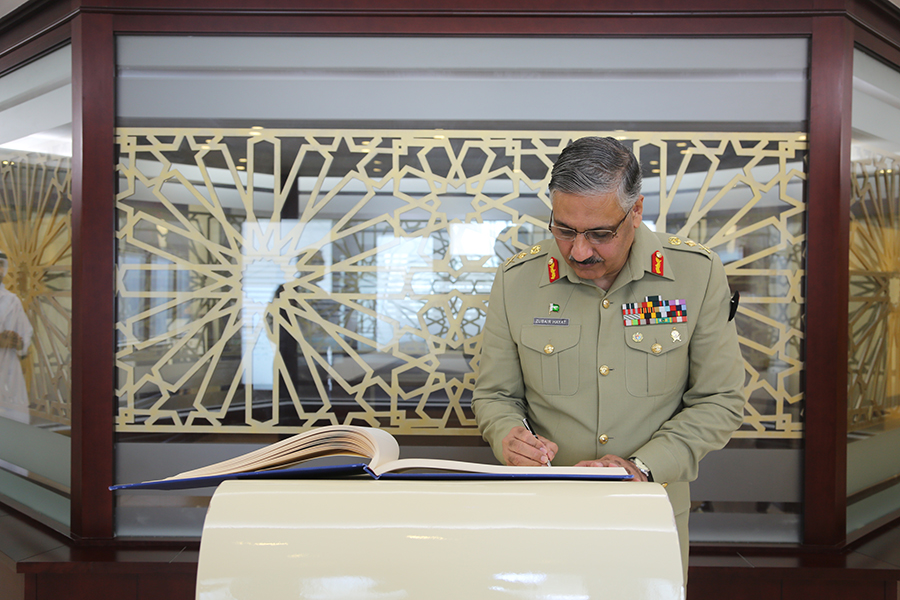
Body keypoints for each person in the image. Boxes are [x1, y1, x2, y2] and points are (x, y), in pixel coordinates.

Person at [471, 136, 745, 580]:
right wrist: (508, 436)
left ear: (635, 212)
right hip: (543, 516)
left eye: (600, 234)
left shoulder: (695, 274)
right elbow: (495, 396)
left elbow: (721, 400)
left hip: (650, 514)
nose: (579, 251)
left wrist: (643, 467)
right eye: (564, 230)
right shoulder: (517, 280)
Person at [0, 252, 33, 423]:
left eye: (1, 265)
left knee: (15, 422)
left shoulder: (12, 301)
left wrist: (18, 343)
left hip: (10, 374)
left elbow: (25, 335)